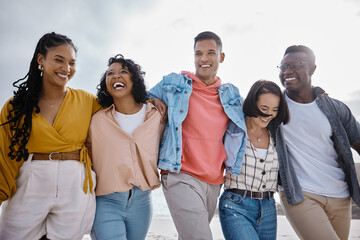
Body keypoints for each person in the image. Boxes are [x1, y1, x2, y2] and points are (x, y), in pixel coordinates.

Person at [0, 32, 101, 240]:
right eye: (58, 60)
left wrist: (155, 102)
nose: (66, 69)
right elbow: (4, 157)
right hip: (31, 180)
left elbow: (122, 110)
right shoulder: (16, 106)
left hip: (76, 183)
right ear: (41, 60)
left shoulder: (87, 100)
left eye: (72, 63)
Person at [149, 31, 247, 240]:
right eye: (198, 53)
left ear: (221, 57)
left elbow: (260, 106)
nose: (203, 59)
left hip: (214, 180)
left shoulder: (231, 95)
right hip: (180, 173)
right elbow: (139, 96)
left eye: (211, 53)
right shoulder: (174, 84)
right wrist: (151, 101)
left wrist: (316, 92)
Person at [273, 45, 360, 240]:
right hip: (300, 194)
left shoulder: (335, 107)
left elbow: (358, 140)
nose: (287, 71)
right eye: (283, 66)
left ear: (312, 69)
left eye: (295, 65)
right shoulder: (274, 105)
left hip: (340, 195)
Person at [86, 54, 164, 240]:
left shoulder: (156, 116)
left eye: (123, 72)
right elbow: (87, 159)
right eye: (110, 73)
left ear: (134, 79)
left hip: (142, 201)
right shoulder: (97, 121)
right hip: (106, 201)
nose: (116, 76)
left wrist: (151, 99)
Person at [219, 80, 289, 240]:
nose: (268, 115)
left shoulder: (276, 132)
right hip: (235, 205)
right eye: (264, 109)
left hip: (269, 207)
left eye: (274, 110)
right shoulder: (233, 127)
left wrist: (317, 92)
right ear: (251, 103)